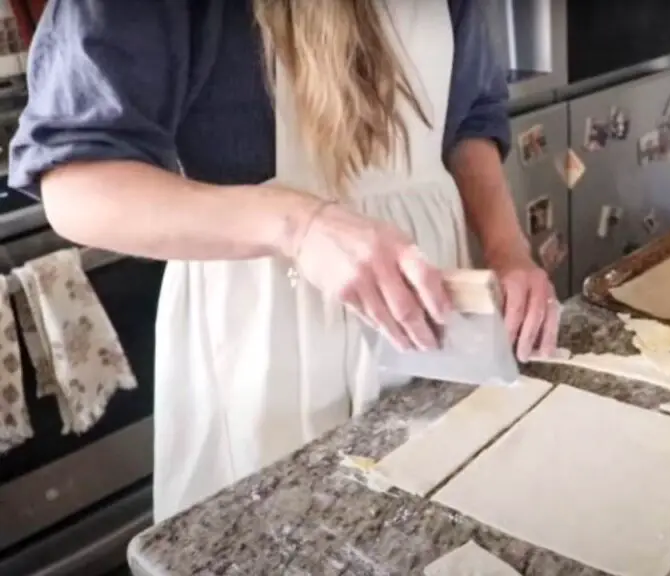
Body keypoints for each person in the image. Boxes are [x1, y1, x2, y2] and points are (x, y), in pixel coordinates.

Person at [9, 0, 560, 522]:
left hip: (434, 307)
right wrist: (299, 224)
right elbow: (75, 184)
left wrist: (509, 251)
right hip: (267, 320)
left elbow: (468, 124)